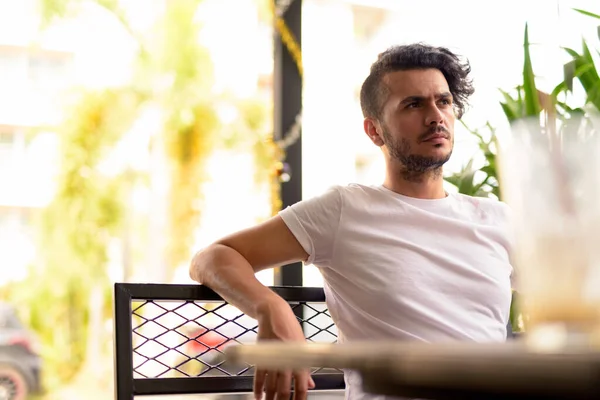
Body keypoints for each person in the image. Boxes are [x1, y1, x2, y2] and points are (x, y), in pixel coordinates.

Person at [189, 43, 514, 400]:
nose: (435, 116)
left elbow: (572, 304)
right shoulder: (345, 210)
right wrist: (271, 307)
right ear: (374, 131)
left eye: (444, 101)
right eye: (413, 104)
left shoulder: (496, 219)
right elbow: (211, 257)